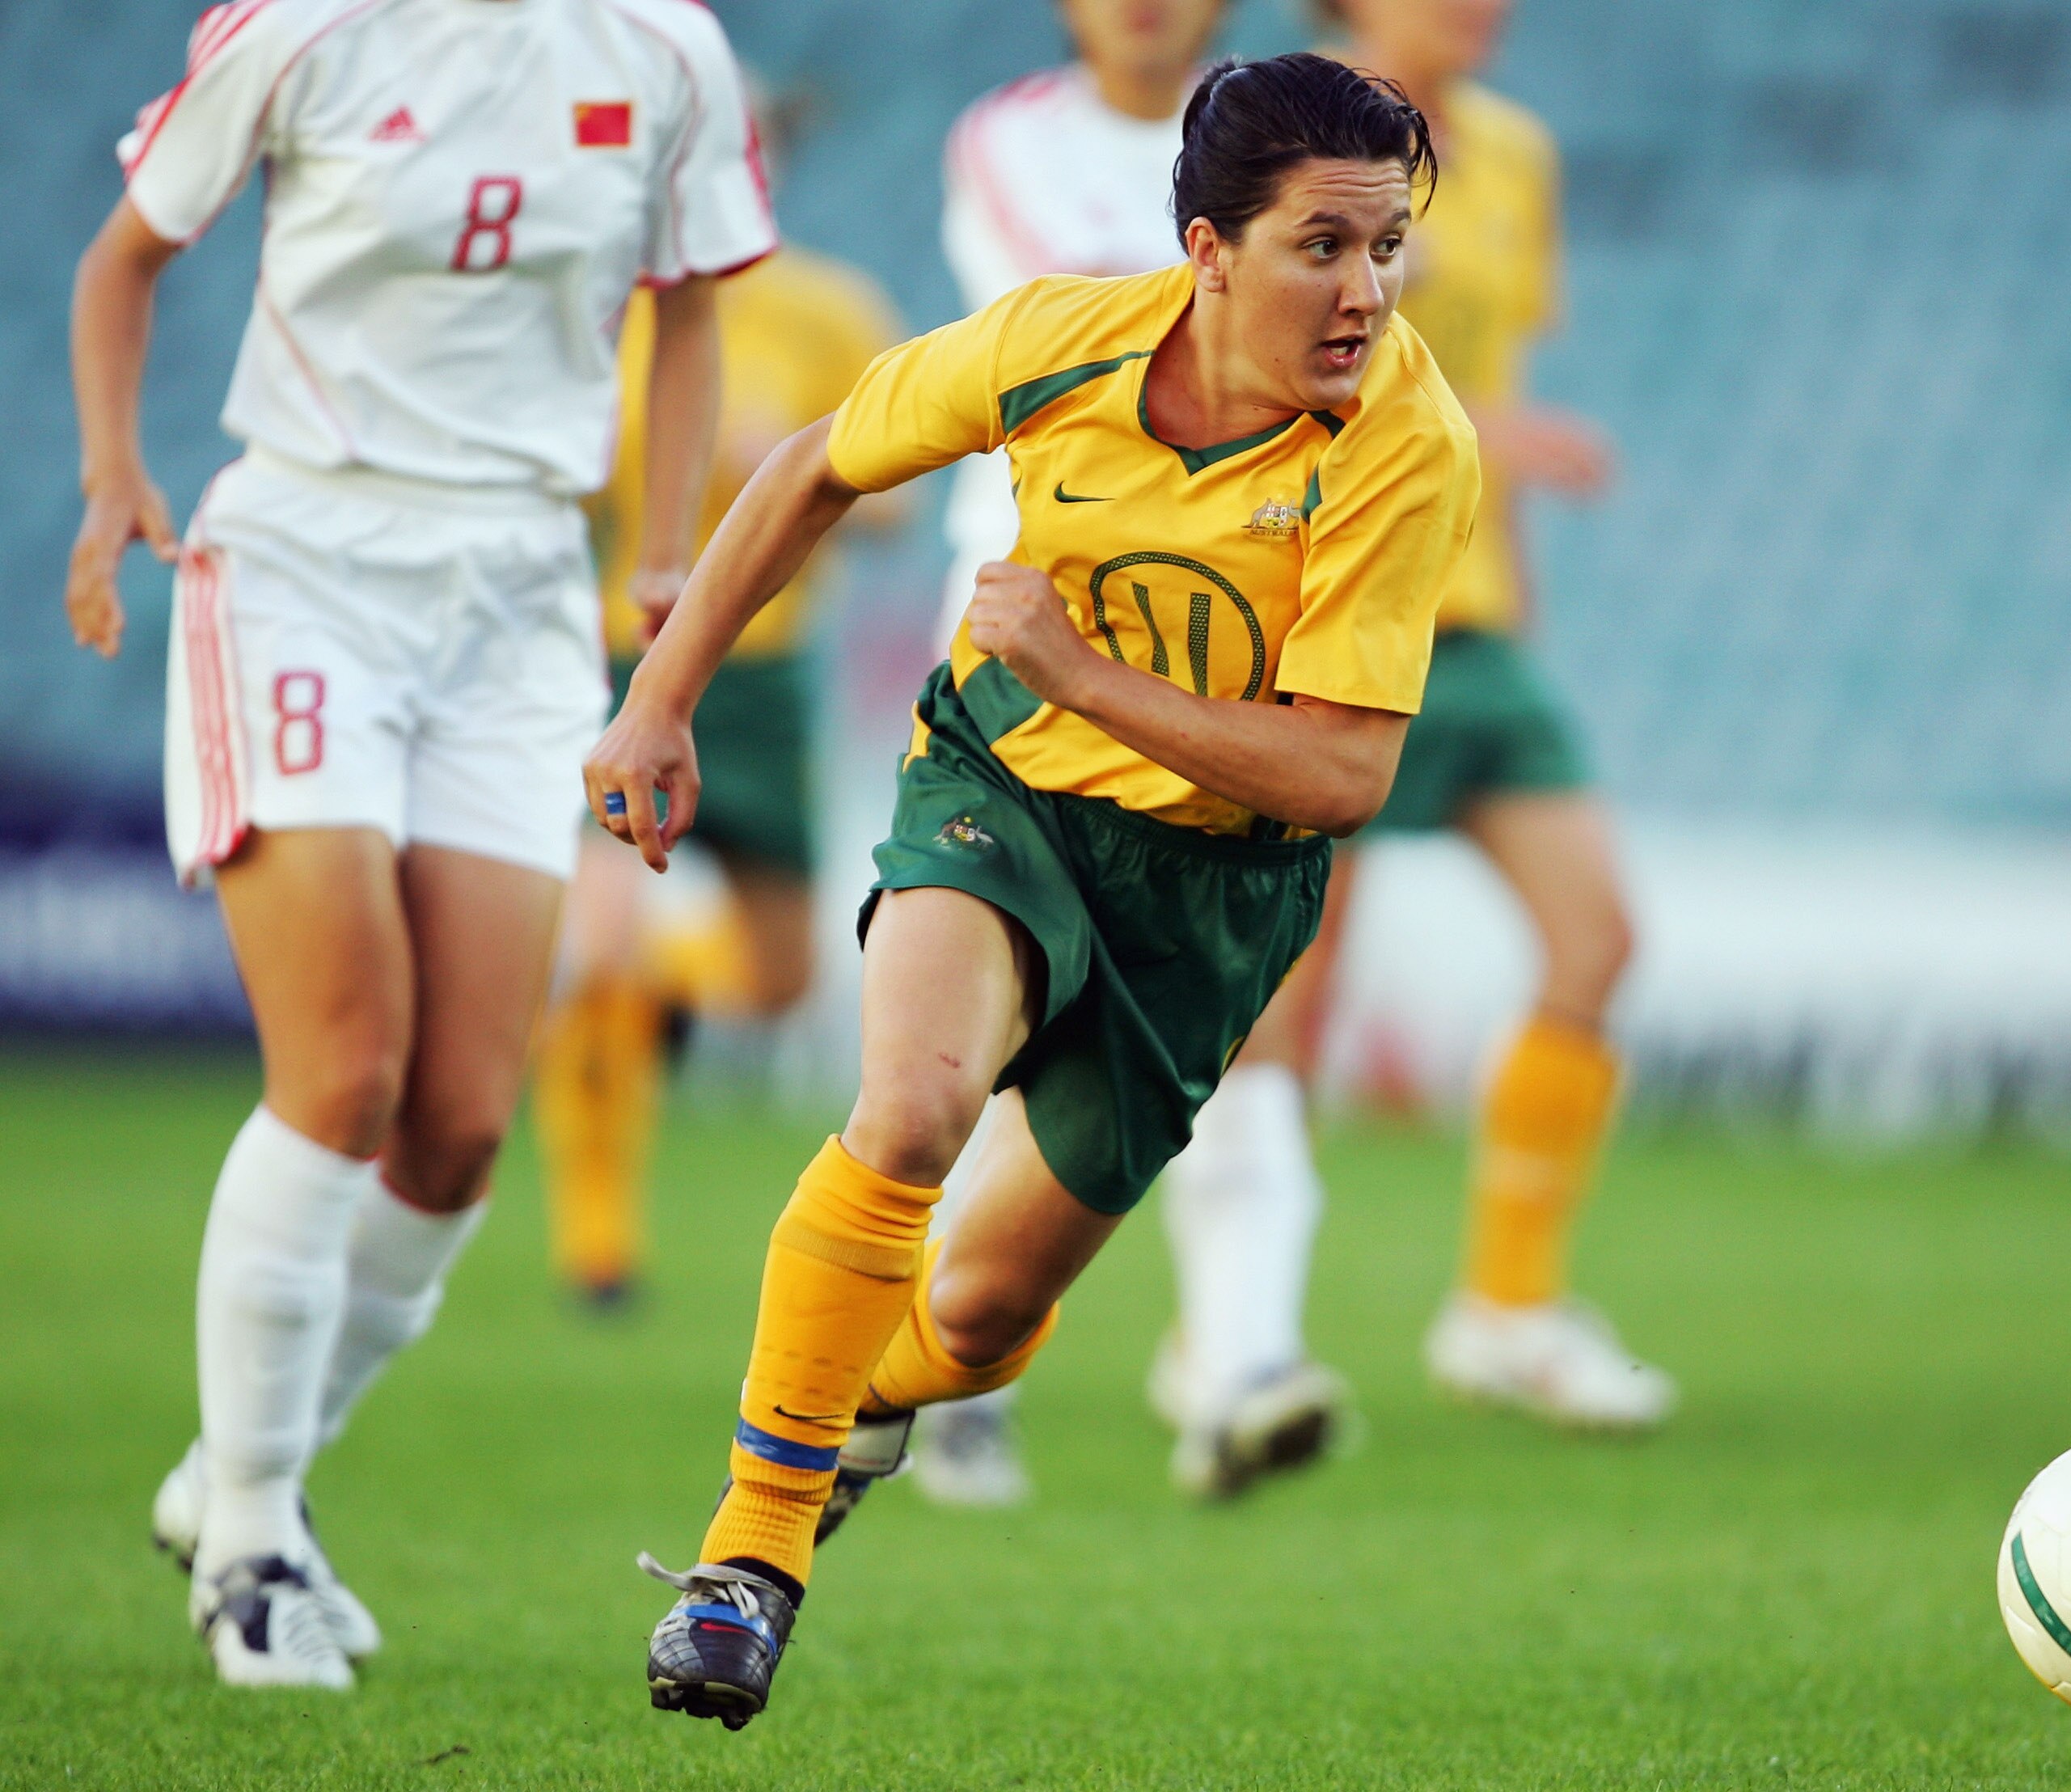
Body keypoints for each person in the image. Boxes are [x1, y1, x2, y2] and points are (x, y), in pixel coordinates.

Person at [587, 53, 1478, 1729]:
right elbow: (812, 470)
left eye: (1388, 248)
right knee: (911, 1111)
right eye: (1323, 247)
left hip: (1215, 895)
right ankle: (748, 1563)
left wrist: (1079, 667)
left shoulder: (1406, 442)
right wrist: (659, 696)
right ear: (1206, 251)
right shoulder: (1059, 338)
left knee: (985, 1314)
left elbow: (1344, 774)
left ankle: (861, 1408)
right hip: (1002, 796)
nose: (1366, 290)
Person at [66, 0, 771, 1688]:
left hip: (520, 590)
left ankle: (240, 1468)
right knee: (347, 1071)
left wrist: (661, 564)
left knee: (457, 1128)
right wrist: (111, 476)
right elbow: (121, 263)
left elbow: (691, 314)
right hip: (309, 553)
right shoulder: (302, 28)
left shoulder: (667, 46)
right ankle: (248, 1541)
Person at [1173, 0, 1677, 1431]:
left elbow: (1493, 370)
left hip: (1483, 627)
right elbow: (1249, 366)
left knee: (1599, 937)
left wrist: (1508, 532)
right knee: (1295, 1000)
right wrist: (1494, 441)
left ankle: (1506, 1310)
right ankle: (1233, 1334)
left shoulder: (1515, 155)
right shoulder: (1288, 150)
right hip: (1335, 608)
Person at [924, 0, 1353, 1508]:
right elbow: (1117, 314)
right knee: (993, 1036)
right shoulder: (1010, 141)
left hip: (1256, 624)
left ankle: (1237, 1362)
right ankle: (954, 1370)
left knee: (1243, 1011)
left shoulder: (1312, 158)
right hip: (1041, 632)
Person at [535, 119, 903, 1308]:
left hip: (768, 674)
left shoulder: (834, 309)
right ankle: (600, 1240)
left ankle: (666, 997)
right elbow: (549, 486)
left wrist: (798, 475)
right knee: (601, 948)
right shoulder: (612, 312)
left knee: (787, 978)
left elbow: (899, 501)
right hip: (626, 654)